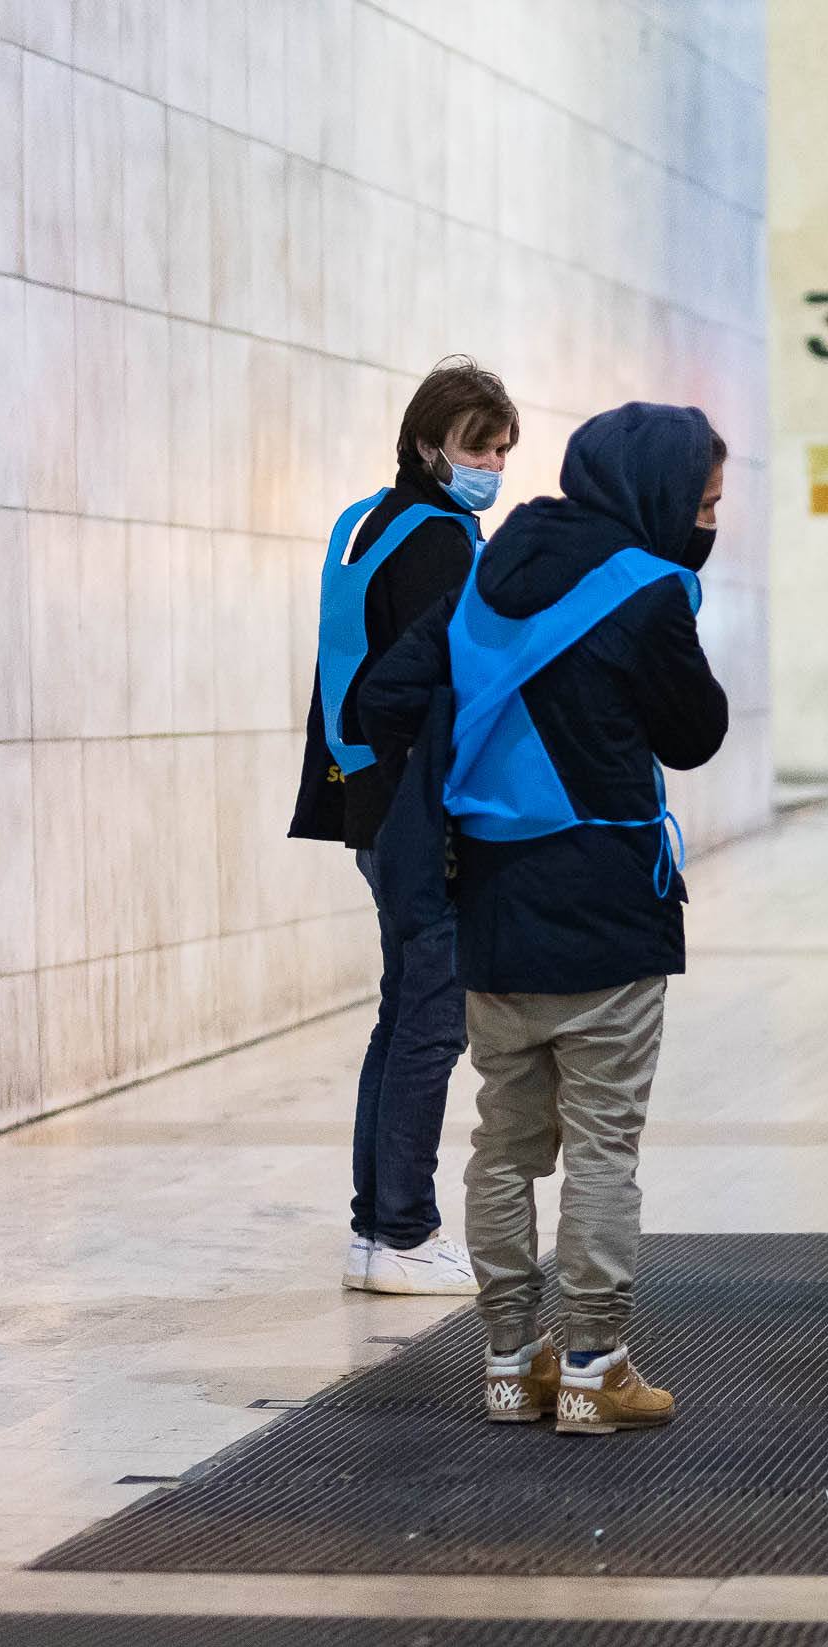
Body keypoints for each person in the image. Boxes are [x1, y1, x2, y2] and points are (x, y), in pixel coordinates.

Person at [359, 403, 728, 1435]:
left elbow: (384, 697)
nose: (707, 523)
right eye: (703, 503)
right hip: (607, 906)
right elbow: (696, 732)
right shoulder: (646, 590)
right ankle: (595, 1364)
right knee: (603, 1145)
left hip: (492, 909)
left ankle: (508, 1359)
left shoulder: (485, 572)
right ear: (656, 493)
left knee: (504, 1144)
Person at [289, 357, 518, 1296]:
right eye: (477, 447)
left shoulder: (366, 522)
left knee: (401, 1015)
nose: (492, 466)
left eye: (502, 450)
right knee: (431, 1020)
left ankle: (374, 1230)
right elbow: (448, 692)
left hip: (365, 801)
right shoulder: (442, 543)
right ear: (429, 445)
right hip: (420, 811)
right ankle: (405, 1231)